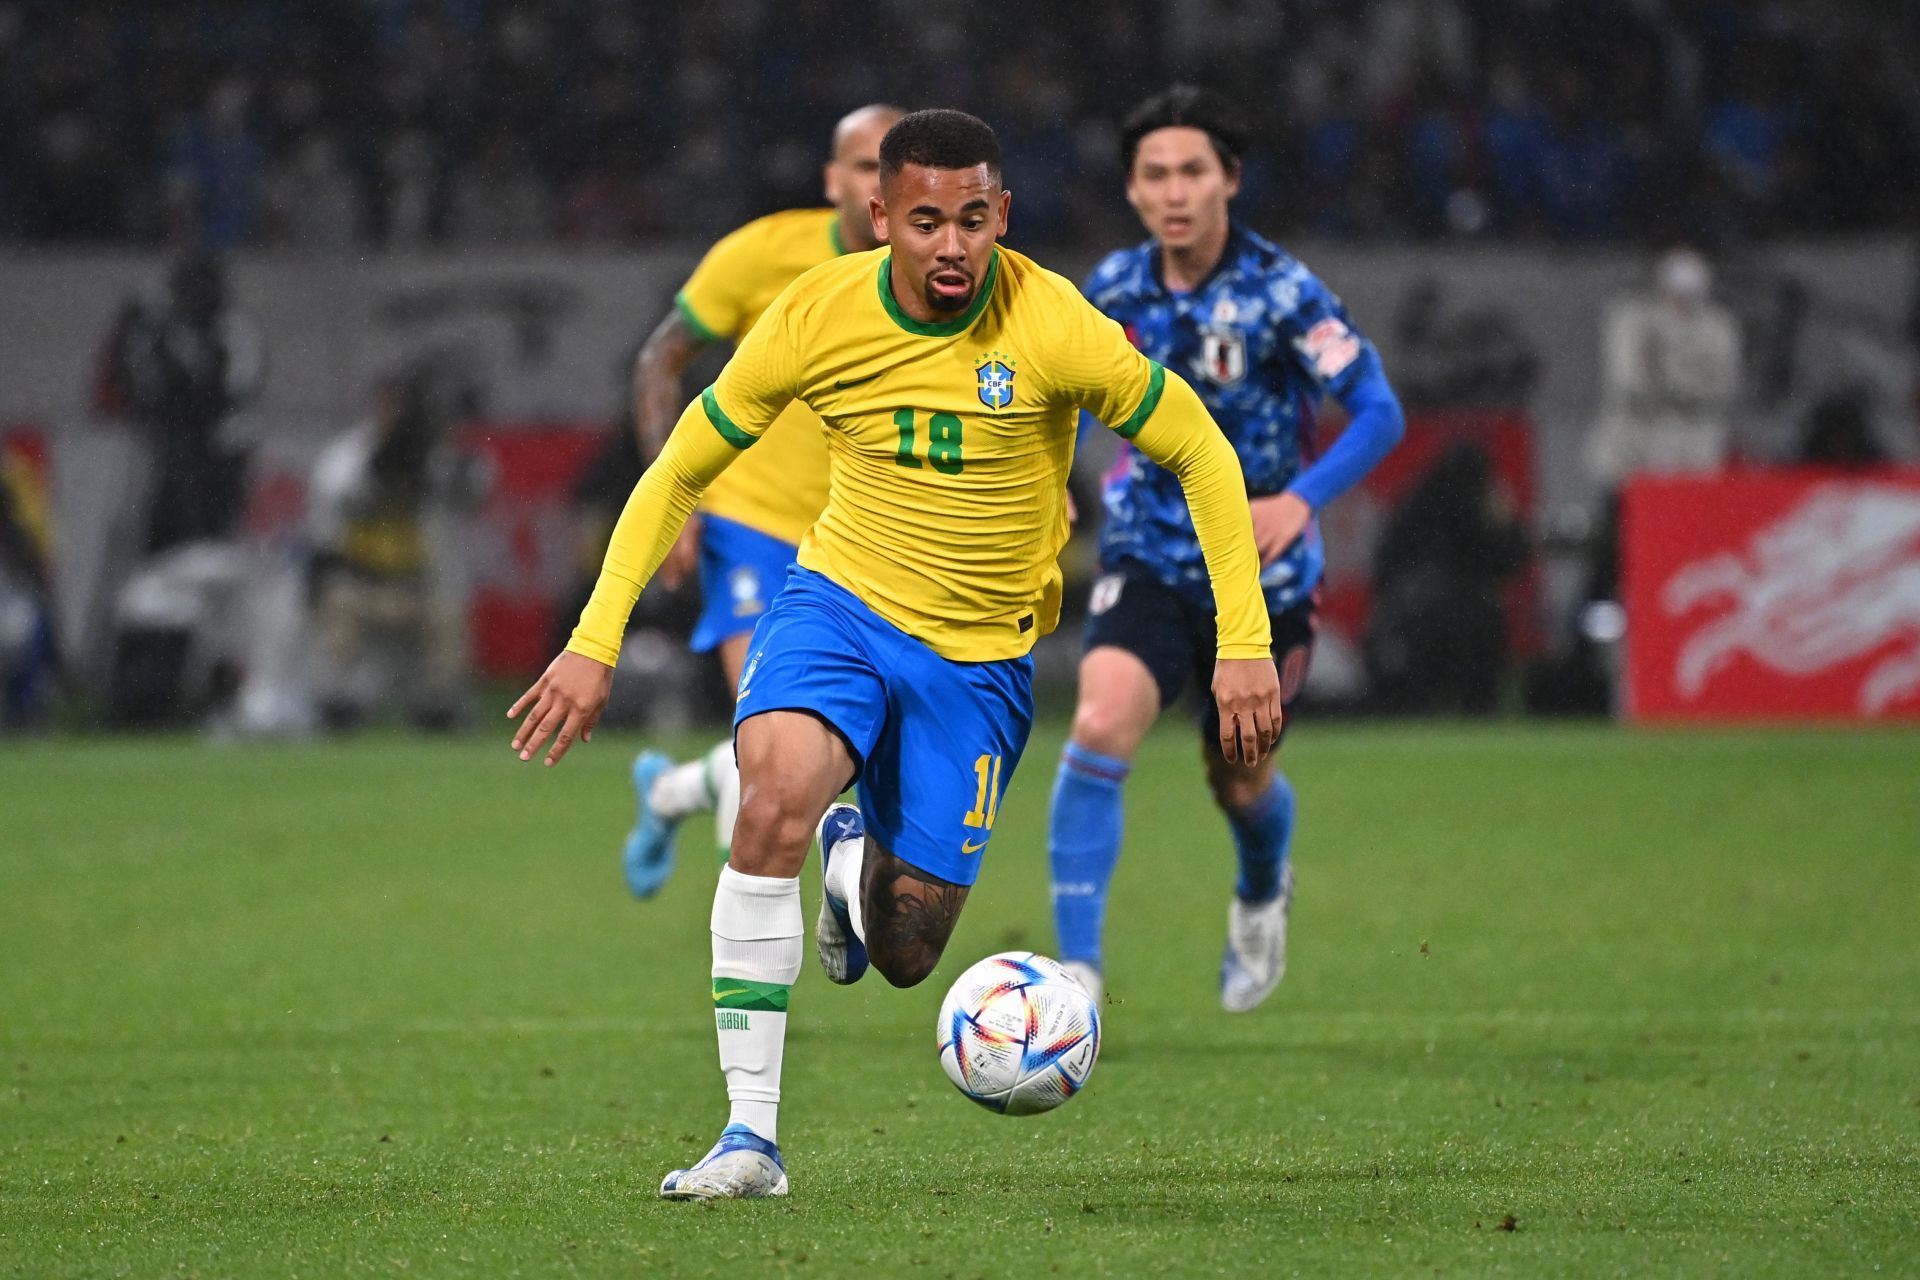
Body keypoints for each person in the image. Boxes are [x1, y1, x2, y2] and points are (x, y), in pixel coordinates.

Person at [508, 109, 1281, 1200]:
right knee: (774, 794)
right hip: (841, 607)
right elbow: (679, 464)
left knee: (908, 944)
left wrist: (1242, 643)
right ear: (881, 216)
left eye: (974, 219)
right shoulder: (815, 312)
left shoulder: (1053, 321)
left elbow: (1199, 446)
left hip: (980, 660)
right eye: (927, 221)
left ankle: (846, 865)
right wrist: (594, 642)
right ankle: (749, 1137)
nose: (953, 245)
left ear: (1003, 214)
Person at [1046, 87, 1405, 1013]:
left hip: (1263, 573)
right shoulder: (1111, 290)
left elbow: (1378, 410)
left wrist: (1300, 498)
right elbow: (1051, 398)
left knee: (1238, 779)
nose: (1175, 192)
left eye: (1193, 172)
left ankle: (1260, 889)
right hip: (1150, 554)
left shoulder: (1285, 292)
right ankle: (1077, 972)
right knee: (1097, 726)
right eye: (1155, 174)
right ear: (1132, 190)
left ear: (1229, 181)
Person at [618, 103, 905, 899]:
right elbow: (659, 360)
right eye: (860, 165)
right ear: (831, 180)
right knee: (774, 741)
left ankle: (672, 791)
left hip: (863, 542)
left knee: (831, 741)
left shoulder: (942, 276)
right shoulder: (762, 254)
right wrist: (673, 495)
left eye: (892, 164)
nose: (876, 183)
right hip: (750, 522)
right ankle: (755, 934)